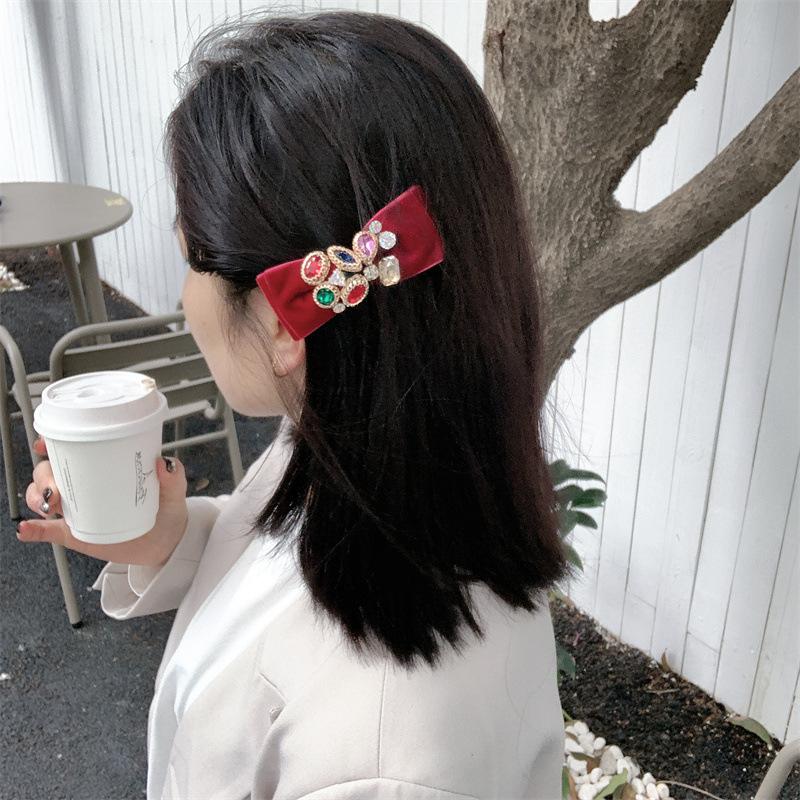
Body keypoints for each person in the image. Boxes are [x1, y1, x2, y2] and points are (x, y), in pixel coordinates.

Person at [18, 9, 571, 800]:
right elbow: (285, 559)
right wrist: (171, 536)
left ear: (286, 320)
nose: (184, 300)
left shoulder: (389, 760)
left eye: (191, 260)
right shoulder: (371, 455)